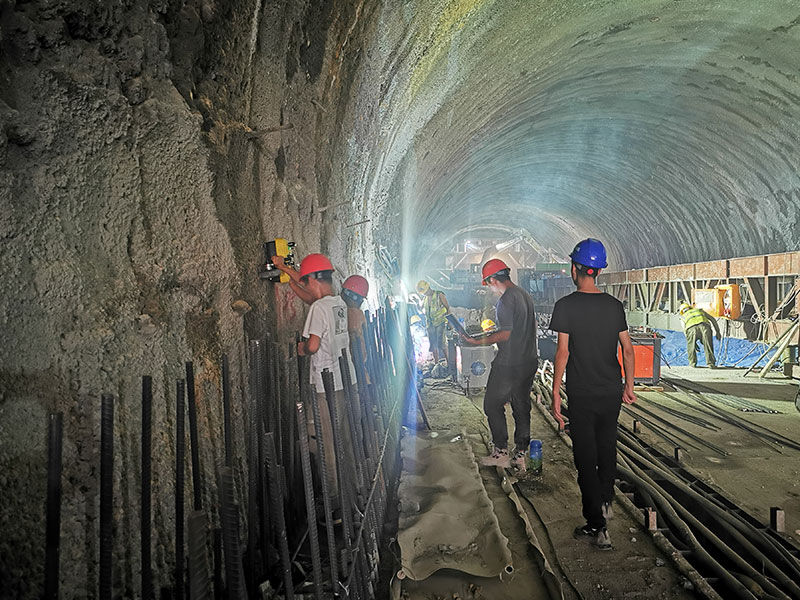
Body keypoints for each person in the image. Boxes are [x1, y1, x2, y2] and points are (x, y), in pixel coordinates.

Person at [549, 238, 636, 551]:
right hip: (611, 390)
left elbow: (562, 353)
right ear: (597, 271)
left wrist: (557, 393)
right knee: (606, 444)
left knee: (585, 457)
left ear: (575, 269)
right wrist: (629, 385)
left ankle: (597, 524)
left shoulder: (566, 306)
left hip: (582, 392)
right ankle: (607, 501)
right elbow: (627, 349)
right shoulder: (614, 307)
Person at [459, 259, 538, 469]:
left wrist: (477, 340)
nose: (490, 289)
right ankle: (520, 454)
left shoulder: (505, 300)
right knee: (521, 405)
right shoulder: (524, 295)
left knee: (492, 404)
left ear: (493, 279)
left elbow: (505, 334)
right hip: (528, 360)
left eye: (489, 284)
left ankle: (500, 452)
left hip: (509, 363)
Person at [295, 253, 357, 508]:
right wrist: (289, 275)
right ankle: (353, 492)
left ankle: (333, 502)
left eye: (305, 282)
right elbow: (310, 297)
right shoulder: (339, 303)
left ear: (313, 279)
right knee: (344, 439)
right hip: (344, 380)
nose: (307, 287)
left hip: (324, 384)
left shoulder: (318, 309)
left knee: (326, 444)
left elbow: (312, 345)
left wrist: (299, 349)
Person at [416, 280, 450, 366]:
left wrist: (449, 322)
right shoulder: (425, 299)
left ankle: (450, 363)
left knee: (442, 344)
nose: (425, 294)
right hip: (430, 324)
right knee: (433, 344)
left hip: (440, 322)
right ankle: (436, 363)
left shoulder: (439, 295)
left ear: (428, 288)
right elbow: (422, 311)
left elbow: (448, 308)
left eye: (425, 292)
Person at [679, 302, 721, 368]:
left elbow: (685, 330)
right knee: (708, 345)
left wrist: (693, 343)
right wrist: (718, 332)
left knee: (691, 347)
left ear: (682, 311)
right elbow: (713, 320)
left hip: (691, 329)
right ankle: (711, 364)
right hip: (705, 327)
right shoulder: (699, 310)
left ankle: (692, 363)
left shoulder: (683, 316)